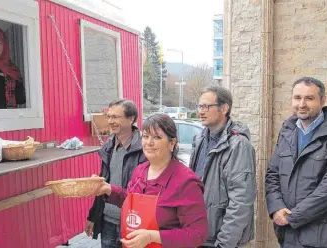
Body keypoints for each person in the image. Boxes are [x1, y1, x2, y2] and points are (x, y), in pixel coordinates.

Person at [265, 77, 327, 248]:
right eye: (297, 98)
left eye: (309, 98)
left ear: (322, 100)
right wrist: (276, 208)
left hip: (321, 236)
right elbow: (272, 174)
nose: (302, 104)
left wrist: (291, 217)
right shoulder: (287, 132)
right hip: (286, 233)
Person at [94, 114, 209, 248]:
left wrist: (152, 237)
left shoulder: (186, 182)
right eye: (146, 136)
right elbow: (132, 202)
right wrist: (108, 189)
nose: (149, 142)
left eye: (157, 137)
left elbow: (197, 234)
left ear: (172, 143)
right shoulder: (140, 170)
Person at [188, 86, 256, 248]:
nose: (201, 112)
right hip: (199, 232)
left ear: (224, 108)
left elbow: (241, 201)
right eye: (199, 106)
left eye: (206, 106)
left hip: (223, 239)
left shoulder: (238, 145)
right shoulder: (199, 139)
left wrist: (225, 243)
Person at [85, 99, 147, 248]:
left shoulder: (145, 148)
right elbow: (103, 184)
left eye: (116, 117)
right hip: (107, 222)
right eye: (109, 116)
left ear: (131, 119)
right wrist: (93, 216)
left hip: (133, 223)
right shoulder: (109, 146)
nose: (110, 121)